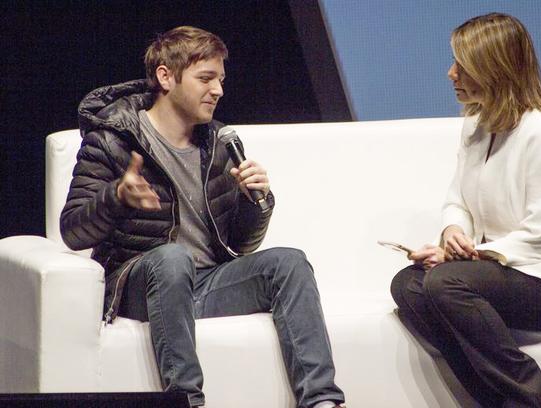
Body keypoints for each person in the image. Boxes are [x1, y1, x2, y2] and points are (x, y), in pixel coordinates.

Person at [60, 26, 346, 408]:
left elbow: (240, 245)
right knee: (172, 259)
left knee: (289, 262)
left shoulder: (218, 141)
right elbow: (73, 231)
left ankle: (323, 401)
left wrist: (255, 201)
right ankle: (187, 401)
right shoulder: (113, 139)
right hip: (140, 281)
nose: (218, 90)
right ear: (166, 77)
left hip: (206, 281)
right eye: (206, 78)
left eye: (221, 80)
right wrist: (115, 197)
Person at [390, 13, 541, 408]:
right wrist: (453, 234)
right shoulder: (477, 124)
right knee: (408, 285)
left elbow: (538, 237)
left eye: (462, 65)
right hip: (502, 270)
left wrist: (466, 256)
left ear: (493, 68)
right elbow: (457, 199)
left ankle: (535, 401)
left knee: (444, 282)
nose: (451, 74)